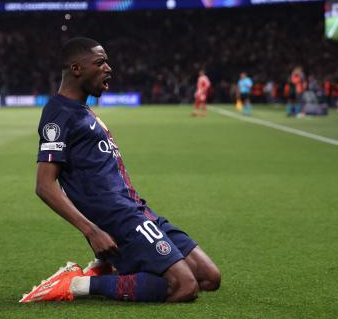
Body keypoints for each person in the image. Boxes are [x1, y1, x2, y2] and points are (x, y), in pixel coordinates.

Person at [20, 37, 221, 303]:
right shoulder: (59, 113)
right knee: (183, 286)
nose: (109, 68)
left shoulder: (83, 110)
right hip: (119, 220)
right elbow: (44, 186)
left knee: (210, 277)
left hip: (138, 210)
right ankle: (77, 284)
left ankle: (110, 269)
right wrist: (92, 231)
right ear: (77, 68)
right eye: (100, 63)